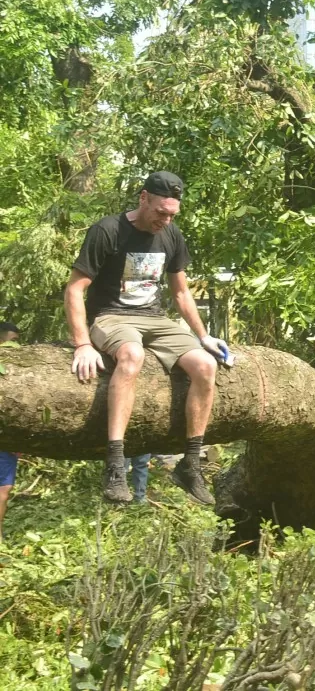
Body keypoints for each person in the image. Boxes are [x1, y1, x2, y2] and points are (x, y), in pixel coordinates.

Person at [64, 171, 231, 505]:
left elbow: (181, 293)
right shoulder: (107, 231)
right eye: (160, 212)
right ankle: (114, 465)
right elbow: (74, 289)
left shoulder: (171, 235)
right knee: (132, 356)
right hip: (111, 316)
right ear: (144, 198)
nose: (165, 220)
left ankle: (190, 464)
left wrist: (204, 335)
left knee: (205, 365)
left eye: (172, 214)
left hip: (154, 318)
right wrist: (82, 343)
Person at [0, 321, 19, 541]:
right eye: (13, 341)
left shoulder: (18, 370)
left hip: (6, 442)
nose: (17, 347)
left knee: (3, 491)